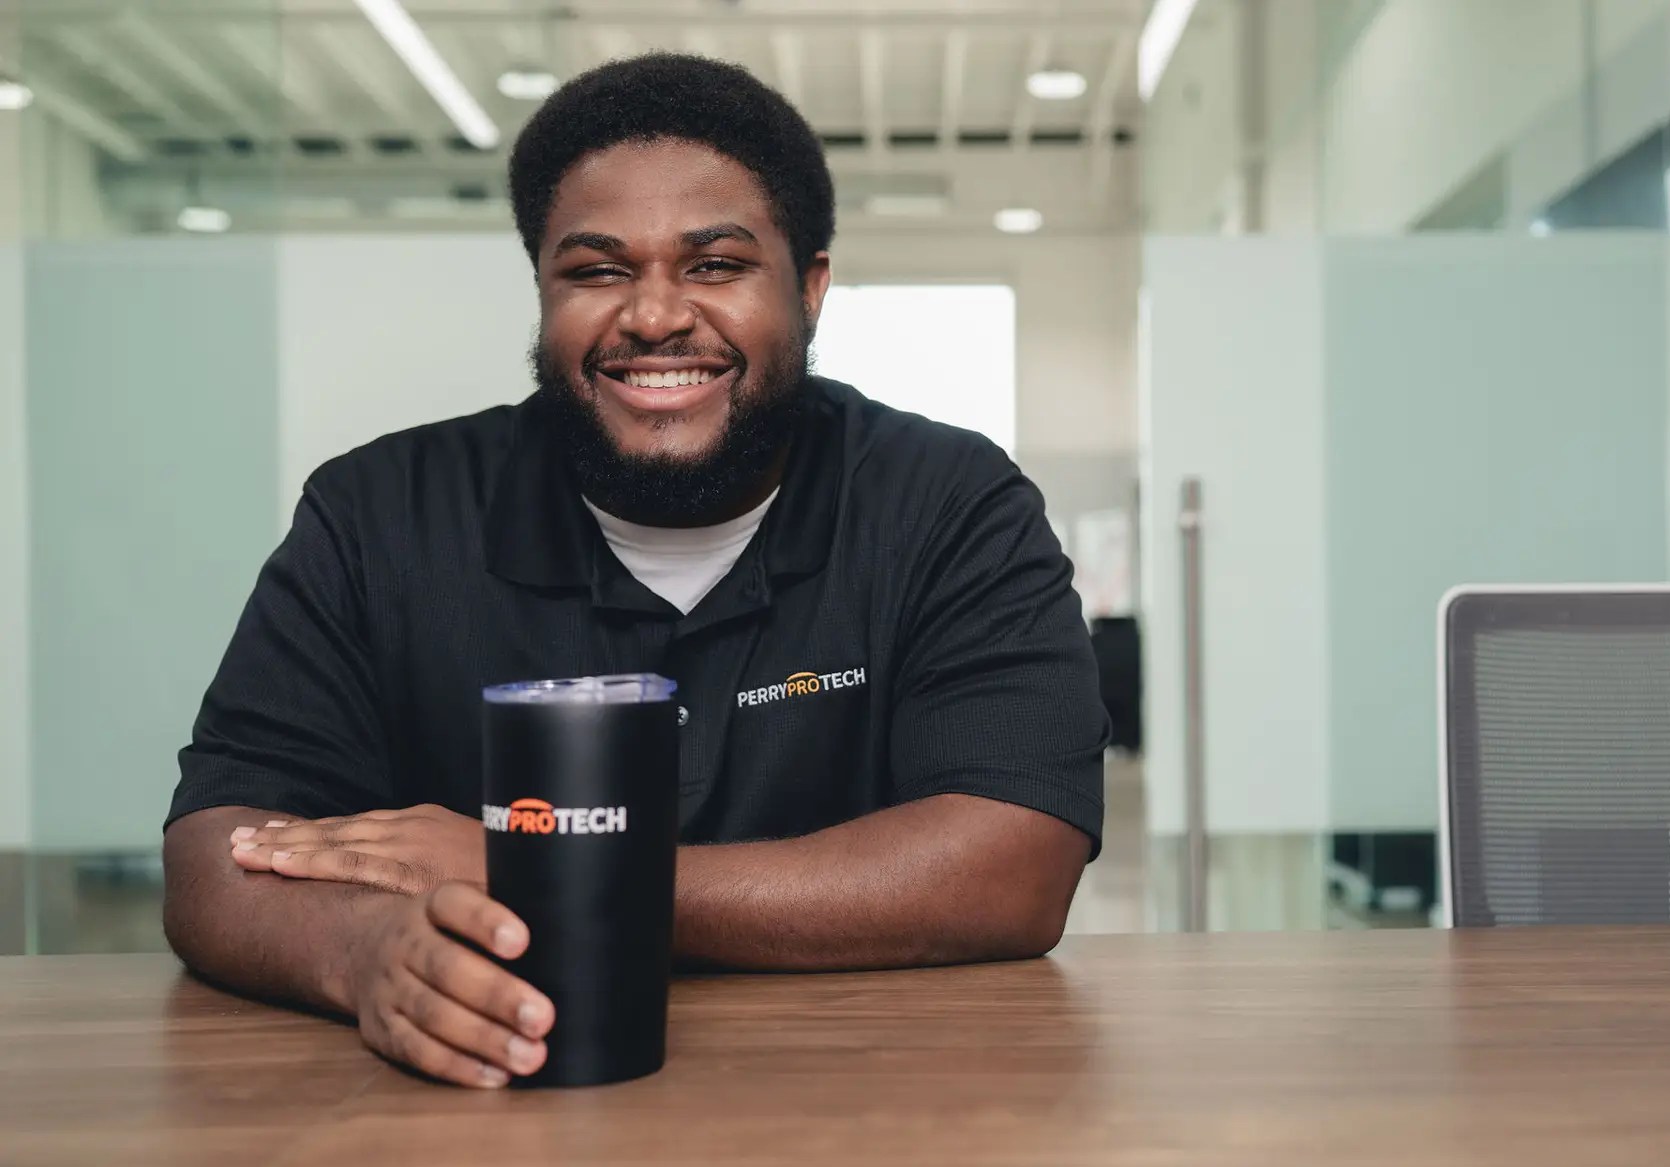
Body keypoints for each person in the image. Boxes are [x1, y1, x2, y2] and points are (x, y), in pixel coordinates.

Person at [161, 55, 1107, 1091]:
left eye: (715, 265)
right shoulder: (378, 514)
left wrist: (547, 874)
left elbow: (1013, 865)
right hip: (483, 1135)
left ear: (811, 288)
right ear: (542, 291)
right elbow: (222, 849)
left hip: (868, 1114)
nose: (654, 316)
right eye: (598, 270)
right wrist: (364, 951)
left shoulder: (947, 503)